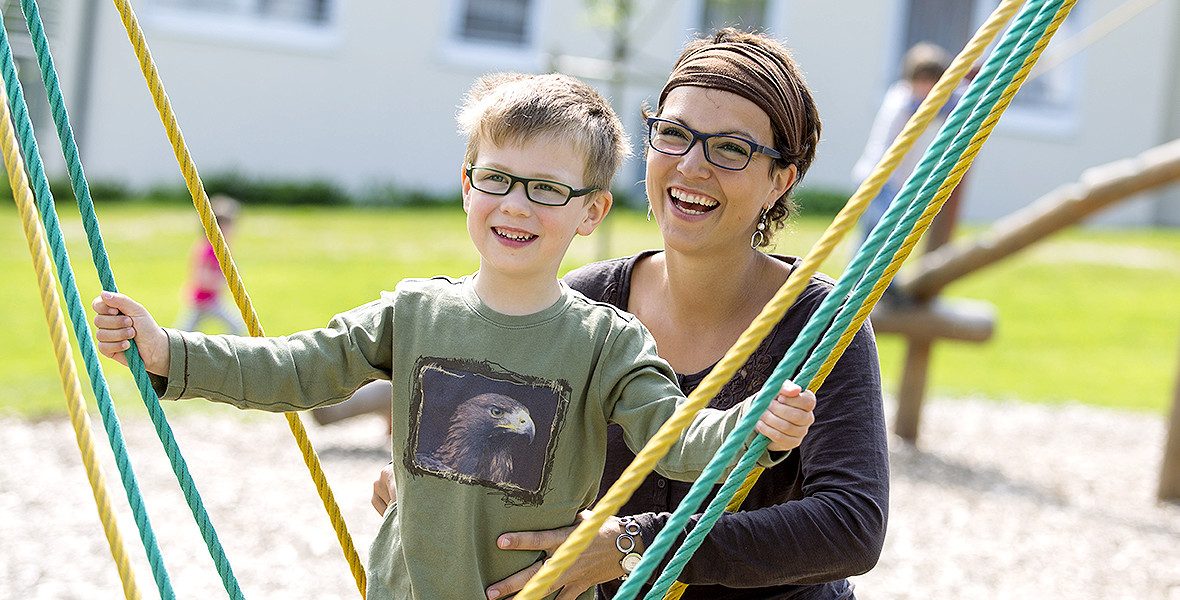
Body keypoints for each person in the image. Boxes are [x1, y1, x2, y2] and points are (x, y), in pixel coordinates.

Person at [92, 71, 817, 600]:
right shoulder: (413, 314)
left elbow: (675, 440)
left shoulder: (608, 343)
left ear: (591, 212)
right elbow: (296, 366)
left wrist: (754, 427)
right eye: (498, 179)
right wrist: (170, 353)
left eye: (547, 189)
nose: (516, 205)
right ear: (467, 185)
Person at [383, 27, 889, 599]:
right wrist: (434, 490)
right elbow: (511, 454)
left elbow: (851, 524)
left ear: (780, 180)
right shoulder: (588, 305)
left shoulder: (817, 325)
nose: (692, 167)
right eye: (673, 134)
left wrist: (637, 544)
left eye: (731, 148)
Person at [851, 42, 955, 256]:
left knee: (880, 233)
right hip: (878, 178)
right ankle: (869, 282)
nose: (928, 88)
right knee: (882, 232)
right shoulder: (903, 100)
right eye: (923, 81)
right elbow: (942, 106)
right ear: (911, 79)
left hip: (892, 179)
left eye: (933, 82)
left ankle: (881, 281)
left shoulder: (913, 98)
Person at [173, 194, 247, 334]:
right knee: (185, 331)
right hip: (202, 300)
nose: (231, 231)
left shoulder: (222, 247)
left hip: (212, 299)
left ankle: (229, 352)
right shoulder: (209, 248)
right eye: (226, 227)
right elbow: (201, 275)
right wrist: (222, 281)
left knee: (236, 325)